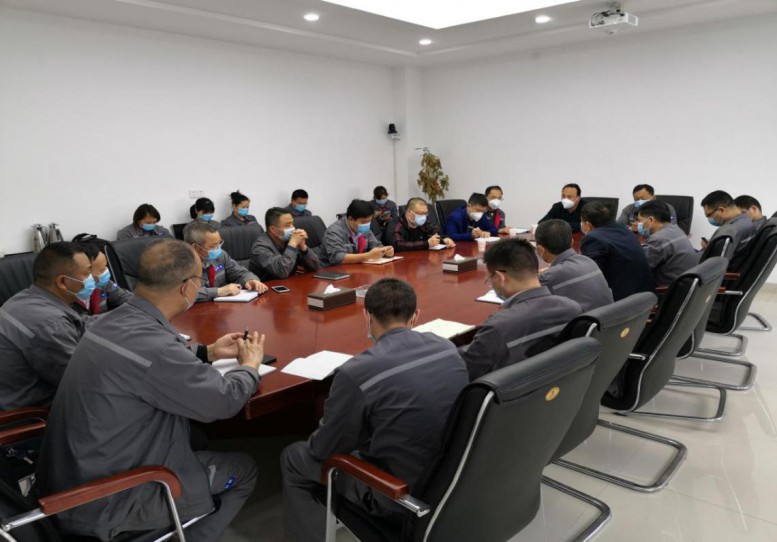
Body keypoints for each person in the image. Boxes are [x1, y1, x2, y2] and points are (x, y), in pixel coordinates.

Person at [36, 239, 263, 541]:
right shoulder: (155, 346)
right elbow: (222, 401)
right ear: (187, 287)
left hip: (69, 477)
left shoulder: (107, 321)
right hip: (108, 499)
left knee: (194, 437)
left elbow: (143, 363)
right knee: (244, 469)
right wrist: (249, 366)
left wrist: (206, 352)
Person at [280, 278, 468, 541]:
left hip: (397, 495)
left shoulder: (356, 372)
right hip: (453, 479)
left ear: (366, 316)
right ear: (416, 315)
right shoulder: (446, 348)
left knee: (295, 456)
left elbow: (324, 450)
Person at [460, 238, 582, 381]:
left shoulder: (498, 327)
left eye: (490, 279)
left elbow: (465, 372)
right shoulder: (572, 308)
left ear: (500, 278)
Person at [0, 243, 91, 409]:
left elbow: (80, 323)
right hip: (34, 415)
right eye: (87, 273)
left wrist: (116, 320)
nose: (93, 278)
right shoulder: (49, 323)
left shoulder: (24, 298)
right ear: (63, 282)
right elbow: (83, 381)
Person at [580, 201, 655, 301]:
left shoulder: (594, 238)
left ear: (587, 224)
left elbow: (590, 276)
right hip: (645, 295)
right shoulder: (624, 229)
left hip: (623, 301)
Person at [535, 220, 614, 311]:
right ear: (571, 242)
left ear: (540, 249)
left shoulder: (549, 277)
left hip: (585, 319)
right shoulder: (587, 260)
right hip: (609, 316)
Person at [184, 223, 267, 302]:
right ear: (195, 247)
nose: (218, 249)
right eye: (213, 246)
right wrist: (218, 291)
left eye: (219, 243)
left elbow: (240, 273)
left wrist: (250, 280)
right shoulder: (181, 265)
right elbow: (185, 294)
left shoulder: (221, 255)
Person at [637, 201, 700, 286]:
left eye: (639, 220)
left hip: (667, 290)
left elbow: (639, 266)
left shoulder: (658, 239)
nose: (638, 224)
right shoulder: (676, 229)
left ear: (651, 220)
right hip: (684, 285)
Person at [249, 207, 321, 280]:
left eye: (292, 224)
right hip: (268, 285)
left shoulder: (288, 239)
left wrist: (303, 248)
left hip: (290, 283)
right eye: (288, 225)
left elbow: (315, 267)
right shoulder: (259, 248)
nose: (293, 228)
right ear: (273, 230)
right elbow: (282, 272)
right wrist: (292, 244)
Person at [71, 234, 132, 315]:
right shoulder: (66, 298)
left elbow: (126, 298)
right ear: (86, 273)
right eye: (102, 270)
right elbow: (81, 321)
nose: (106, 272)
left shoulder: (103, 283)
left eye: (106, 267)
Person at [319, 199, 394, 266]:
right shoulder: (334, 231)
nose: (367, 225)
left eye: (369, 221)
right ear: (351, 219)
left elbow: (375, 245)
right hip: (333, 272)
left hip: (357, 268)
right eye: (364, 222)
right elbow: (337, 257)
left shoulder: (364, 229)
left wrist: (385, 251)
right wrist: (368, 256)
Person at [701, 190, 755, 269]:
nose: (710, 218)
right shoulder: (746, 222)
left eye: (709, 215)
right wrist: (712, 246)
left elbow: (717, 266)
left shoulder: (728, 232)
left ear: (721, 210)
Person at [386, 197, 456, 251]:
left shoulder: (423, 223)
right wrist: (426, 244)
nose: (423, 217)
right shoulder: (396, 225)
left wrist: (444, 239)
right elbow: (397, 245)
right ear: (409, 212)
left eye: (425, 213)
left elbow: (435, 232)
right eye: (420, 213)